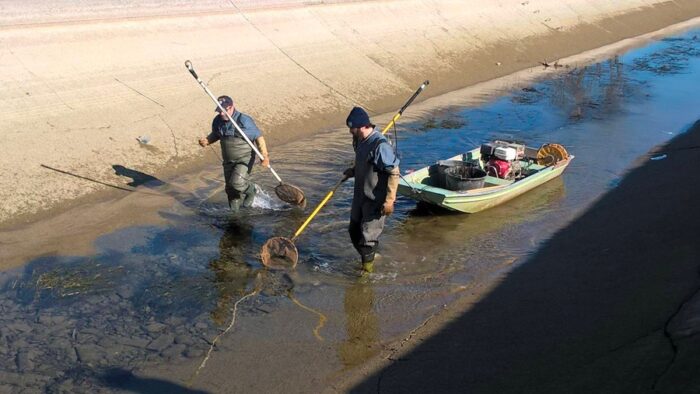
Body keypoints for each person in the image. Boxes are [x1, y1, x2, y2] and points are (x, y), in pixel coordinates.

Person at [343, 106, 400, 272]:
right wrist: (353, 171)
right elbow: (364, 162)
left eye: (351, 128)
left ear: (362, 127)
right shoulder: (359, 140)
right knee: (353, 230)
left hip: (375, 200)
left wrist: (390, 201)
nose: (350, 132)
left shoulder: (380, 146)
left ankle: (366, 274)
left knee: (368, 239)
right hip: (359, 196)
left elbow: (394, 173)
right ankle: (369, 257)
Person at [199, 95, 270, 211]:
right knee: (230, 190)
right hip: (228, 161)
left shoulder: (244, 120)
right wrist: (207, 140)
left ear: (231, 107)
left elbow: (258, 137)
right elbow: (216, 134)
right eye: (219, 110)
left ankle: (252, 190)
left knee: (236, 184)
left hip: (244, 159)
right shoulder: (217, 121)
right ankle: (235, 215)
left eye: (223, 111)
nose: (221, 113)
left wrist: (264, 156)